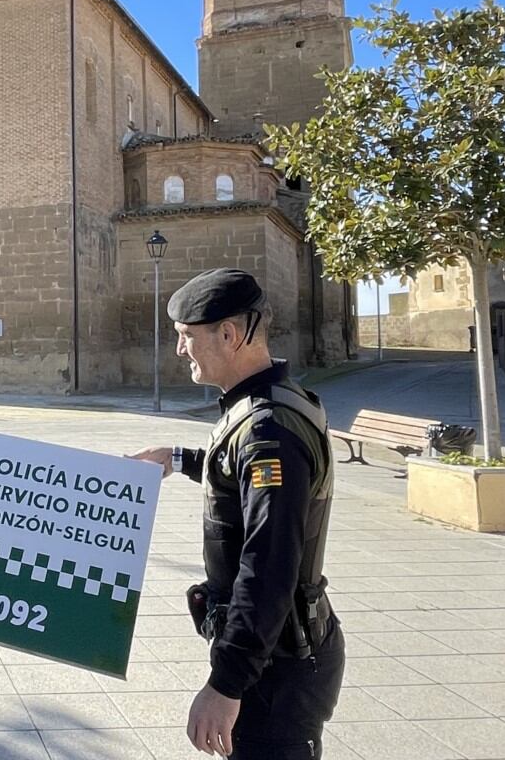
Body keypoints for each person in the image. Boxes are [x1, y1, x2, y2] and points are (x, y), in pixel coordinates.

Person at [132, 268, 344, 759]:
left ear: (228, 335)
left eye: (187, 337)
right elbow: (241, 476)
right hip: (282, 651)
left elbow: (269, 567)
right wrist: (179, 459)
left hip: (279, 666)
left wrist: (225, 686)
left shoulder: (269, 431)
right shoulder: (268, 405)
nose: (180, 349)